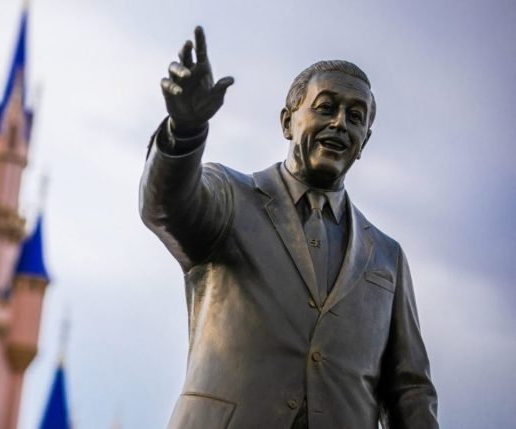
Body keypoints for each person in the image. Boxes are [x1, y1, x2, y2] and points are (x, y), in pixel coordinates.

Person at [139, 26, 438, 429]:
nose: (339, 124)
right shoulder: (230, 197)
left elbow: (409, 389)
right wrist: (185, 132)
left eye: (355, 117)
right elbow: (165, 207)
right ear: (287, 121)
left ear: (364, 140)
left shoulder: (387, 256)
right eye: (326, 107)